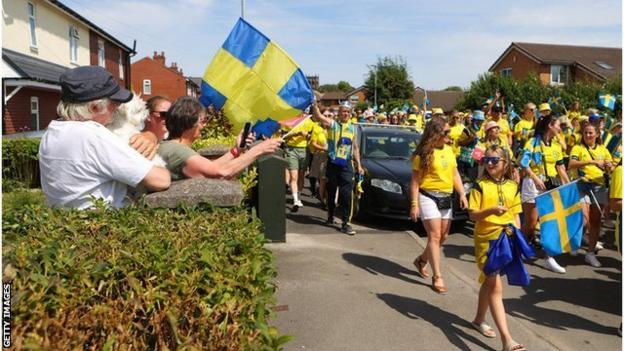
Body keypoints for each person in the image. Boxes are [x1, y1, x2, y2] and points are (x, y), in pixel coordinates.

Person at [39, 66, 171, 209]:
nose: (117, 107)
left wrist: (150, 135)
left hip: (67, 222)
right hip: (105, 224)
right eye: (114, 102)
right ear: (94, 108)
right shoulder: (93, 135)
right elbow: (160, 180)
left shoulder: (51, 132)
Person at [468, 145, 526, 351]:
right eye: (486, 160)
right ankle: (507, 340)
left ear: (505, 163)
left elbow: (516, 214)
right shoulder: (479, 185)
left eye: (494, 160)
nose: (489, 163)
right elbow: (472, 215)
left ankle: (478, 320)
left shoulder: (513, 186)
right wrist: (490, 211)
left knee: (489, 283)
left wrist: (518, 237)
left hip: (506, 238)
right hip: (485, 241)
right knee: (495, 286)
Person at [410, 116, 468, 293]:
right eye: (446, 132)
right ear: (435, 133)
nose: (449, 135)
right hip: (428, 196)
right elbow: (415, 182)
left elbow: (455, 174)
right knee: (434, 236)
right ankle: (438, 276)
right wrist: (414, 204)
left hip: (446, 197)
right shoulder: (423, 154)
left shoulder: (450, 150)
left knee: (443, 237)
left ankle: (421, 260)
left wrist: (462, 194)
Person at [157, 97, 282, 180]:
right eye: (202, 120)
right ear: (189, 122)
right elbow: (220, 172)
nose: (204, 125)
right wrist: (259, 150)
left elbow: (210, 167)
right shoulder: (179, 151)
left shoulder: (171, 147)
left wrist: (236, 151)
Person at [519, 114, 570, 273]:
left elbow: (560, 167)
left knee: (550, 222)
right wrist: (535, 178)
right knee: (531, 223)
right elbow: (523, 163)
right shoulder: (533, 143)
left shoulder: (556, 145)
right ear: (550, 125)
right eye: (558, 125)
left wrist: (568, 185)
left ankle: (549, 257)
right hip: (533, 184)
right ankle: (517, 246)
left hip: (551, 185)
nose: (560, 128)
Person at [312, 102, 364, 235]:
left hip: (347, 164)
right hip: (333, 163)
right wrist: (314, 104)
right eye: (343, 111)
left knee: (346, 194)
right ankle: (330, 215)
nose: (345, 114)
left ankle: (346, 223)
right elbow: (318, 116)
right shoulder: (332, 124)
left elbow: (356, 148)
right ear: (339, 113)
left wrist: (359, 165)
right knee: (331, 191)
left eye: (347, 111)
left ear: (350, 113)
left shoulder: (353, 128)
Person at [568, 123, 613, 267]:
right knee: (584, 218)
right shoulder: (577, 148)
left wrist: (608, 165)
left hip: (599, 186)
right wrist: (592, 162)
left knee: (595, 221)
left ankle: (590, 253)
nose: (587, 135)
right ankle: (575, 241)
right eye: (585, 133)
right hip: (582, 185)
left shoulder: (603, 150)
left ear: (597, 135)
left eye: (590, 133)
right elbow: (571, 164)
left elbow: (610, 166)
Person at [282, 115, 315, 211]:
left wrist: (308, 136)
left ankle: (299, 196)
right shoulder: (289, 119)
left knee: (301, 176)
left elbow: (313, 137)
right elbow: (284, 136)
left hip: (304, 150)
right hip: (291, 150)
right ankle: (295, 200)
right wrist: (296, 134)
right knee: (294, 176)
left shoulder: (308, 121)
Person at [458, 110, 486, 181]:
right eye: (480, 121)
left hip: (478, 156)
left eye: (482, 121)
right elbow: (460, 143)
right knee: (466, 178)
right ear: (475, 120)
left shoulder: (481, 129)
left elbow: (482, 141)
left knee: (475, 176)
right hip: (466, 158)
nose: (481, 122)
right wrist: (470, 139)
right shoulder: (467, 130)